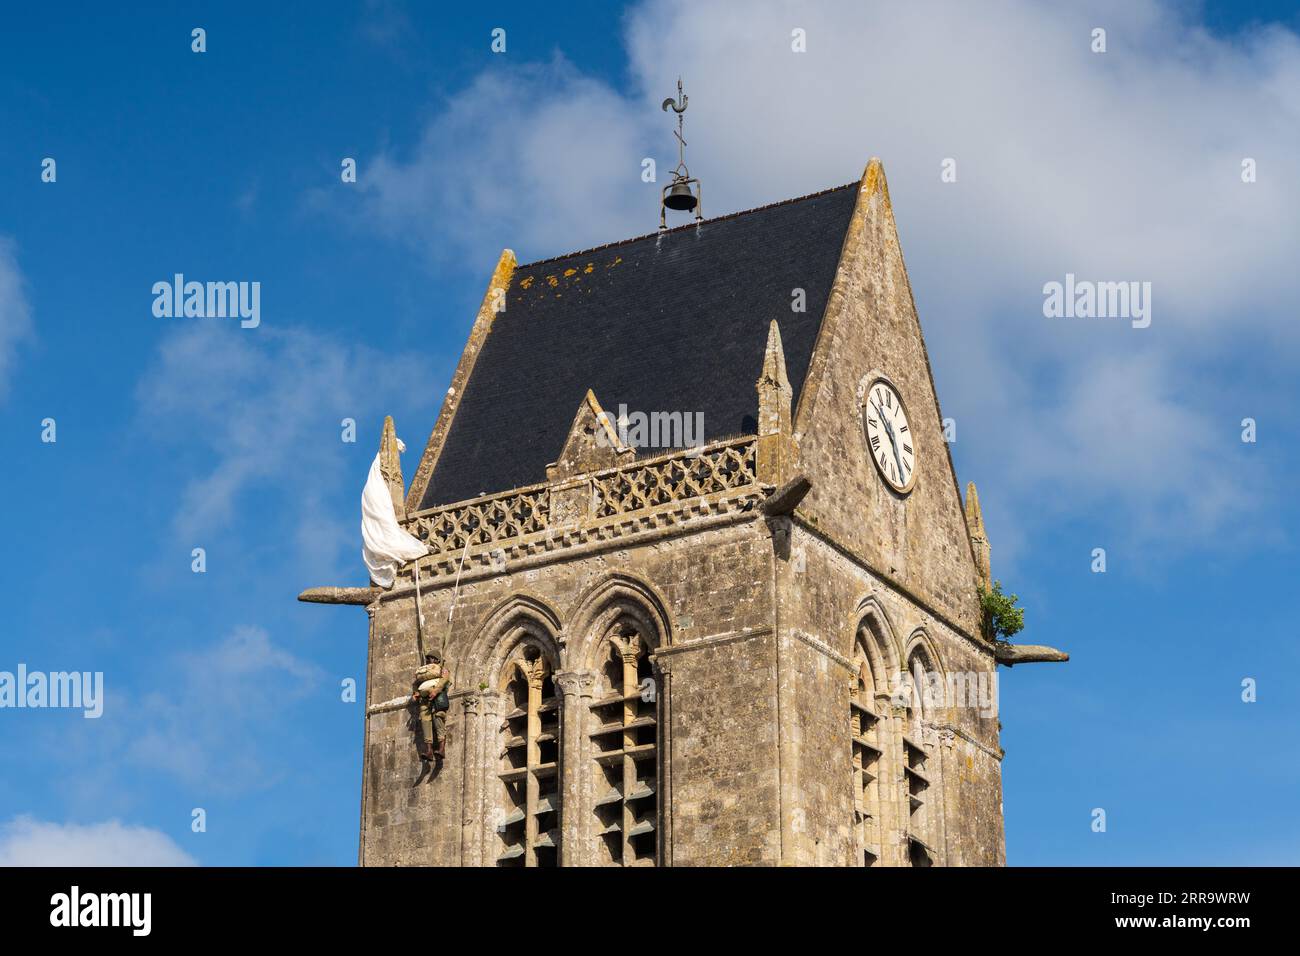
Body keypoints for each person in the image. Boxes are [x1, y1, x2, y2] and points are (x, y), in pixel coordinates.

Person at [411, 652, 451, 761]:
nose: (429, 660)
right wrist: (415, 693)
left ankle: (441, 748)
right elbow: (415, 684)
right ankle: (429, 751)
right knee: (425, 722)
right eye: (428, 658)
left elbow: (445, 679)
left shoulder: (442, 669)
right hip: (424, 700)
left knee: (439, 718)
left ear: (437, 660)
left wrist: (436, 690)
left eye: (432, 658)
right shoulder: (423, 673)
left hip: (438, 697)